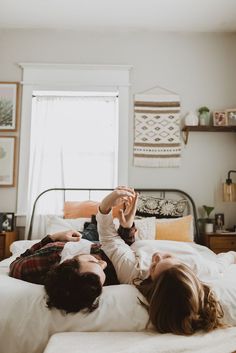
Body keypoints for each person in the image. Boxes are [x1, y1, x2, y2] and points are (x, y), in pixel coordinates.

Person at [97, 187, 236, 335]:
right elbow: (225, 259)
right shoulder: (204, 268)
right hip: (130, 238)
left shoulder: (135, 272)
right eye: (168, 257)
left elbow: (110, 239)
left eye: (153, 266)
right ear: (185, 265)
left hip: (129, 242)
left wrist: (105, 206)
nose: (157, 255)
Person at [9, 214, 136, 314]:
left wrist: (54, 237)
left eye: (92, 261)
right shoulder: (102, 280)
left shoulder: (52, 255)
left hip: (76, 239)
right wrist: (127, 227)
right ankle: (93, 224)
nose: (103, 263)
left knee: (90, 229)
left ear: (70, 261)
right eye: (102, 271)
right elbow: (121, 250)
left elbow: (15, 264)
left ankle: (92, 224)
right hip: (100, 243)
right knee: (95, 227)